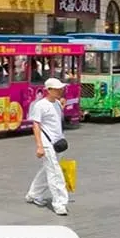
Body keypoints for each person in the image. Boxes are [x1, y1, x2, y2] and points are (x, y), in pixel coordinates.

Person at [26, 78, 70, 216]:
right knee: (55, 173)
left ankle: (34, 194)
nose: (60, 91)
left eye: (61, 88)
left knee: (48, 169)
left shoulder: (57, 103)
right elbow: (36, 125)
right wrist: (39, 146)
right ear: (49, 90)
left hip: (58, 143)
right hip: (47, 144)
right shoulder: (40, 105)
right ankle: (60, 203)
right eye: (57, 89)